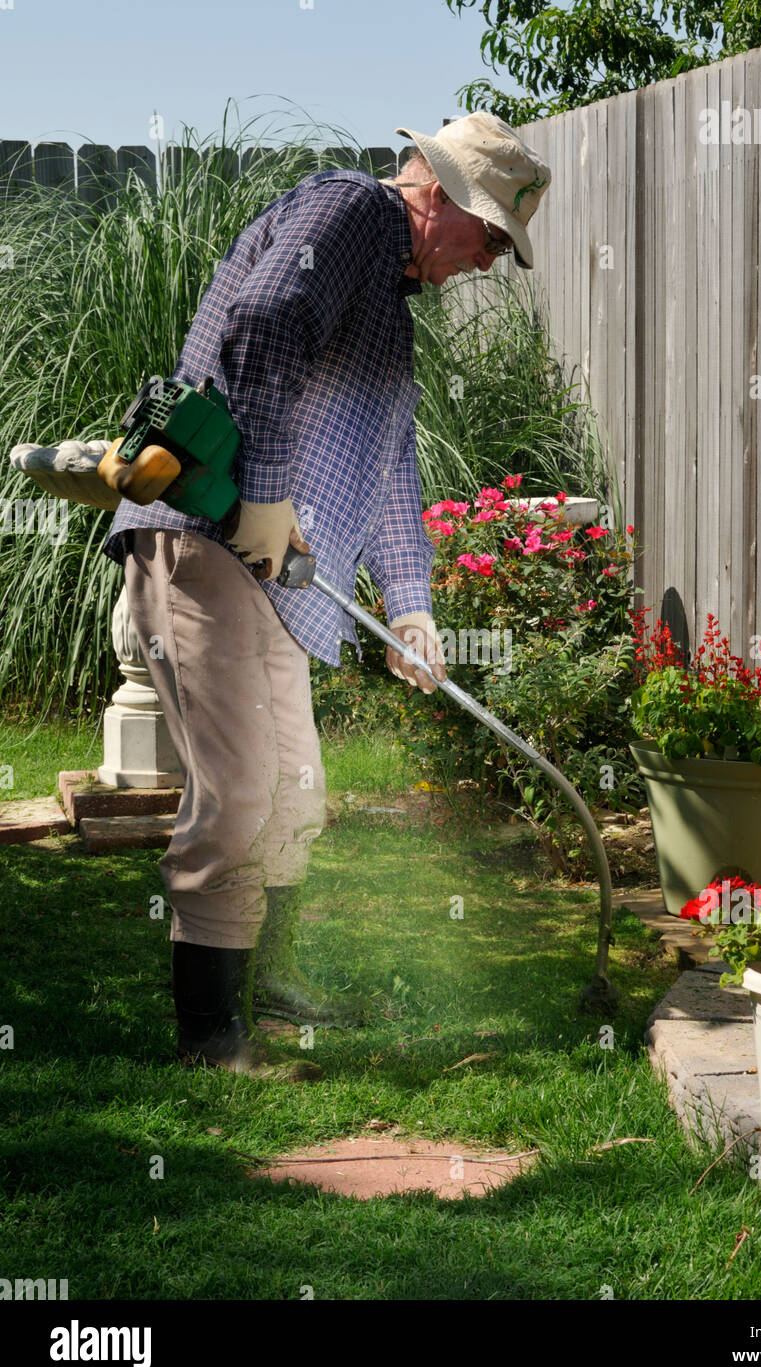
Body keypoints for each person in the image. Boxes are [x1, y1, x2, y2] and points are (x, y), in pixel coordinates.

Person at [101, 111, 552, 1080]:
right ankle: (211, 1038)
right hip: (207, 540)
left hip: (271, 580)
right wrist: (263, 491)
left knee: (297, 790)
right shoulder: (350, 214)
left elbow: (389, 464)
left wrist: (410, 601)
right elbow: (262, 326)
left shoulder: (387, 303)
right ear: (438, 198)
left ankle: (270, 980)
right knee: (241, 791)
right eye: (487, 240)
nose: (484, 265)